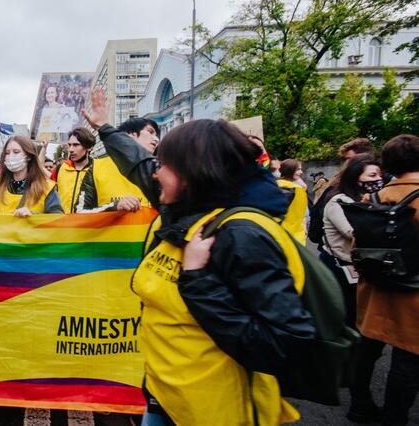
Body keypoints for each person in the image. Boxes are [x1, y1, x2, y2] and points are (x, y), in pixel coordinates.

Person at [83, 89, 312, 425]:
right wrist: (106, 128)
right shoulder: (179, 207)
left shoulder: (242, 235)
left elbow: (287, 345)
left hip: (217, 414)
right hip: (164, 400)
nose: (155, 173)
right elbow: (139, 164)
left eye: (165, 165)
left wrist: (198, 281)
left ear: (194, 173)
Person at [357, 134, 419, 426]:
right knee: (407, 360)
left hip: (376, 290)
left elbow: (359, 243)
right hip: (413, 294)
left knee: (368, 350)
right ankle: (394, 419)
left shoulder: (373, 198)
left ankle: (359, 403)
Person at [317, 154, 384, 422]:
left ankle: (346, 372)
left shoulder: (362, 201)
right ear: (356, 176)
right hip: (341, 269)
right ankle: (336, 373)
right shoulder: (338, 201)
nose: (377, 180)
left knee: (355, 327)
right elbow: (356, 234)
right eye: (371, 175)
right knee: (347, 325)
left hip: (360, 272)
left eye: (379, 175)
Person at [79, 117, 158, 212]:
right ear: (130, 135)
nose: (156, 139)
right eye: (150, 132)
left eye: (157, 135)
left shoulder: (159, 170)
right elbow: (80, 212)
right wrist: (113, 206)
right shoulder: (96, 168)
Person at [0, 135, 63, 216]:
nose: (10, 156)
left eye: (16, 152)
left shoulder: (46, 188)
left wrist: (34, 216)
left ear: (29, 156)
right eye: (7, 153)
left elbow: (57, 221)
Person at [51, 127, 95, 213]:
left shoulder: (97, 170)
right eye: (69, 145)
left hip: (86, 223)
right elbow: (48, 195)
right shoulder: (60, 169)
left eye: (76, 145)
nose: (71, 149)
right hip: (60, 222)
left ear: (89, 147)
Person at [276, 159, 310, 244]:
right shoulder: (295, 189)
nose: (301, 172)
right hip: (293, 235)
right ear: (289, 169)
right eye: (298, 169)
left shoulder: (274, 185)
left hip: (278, 233)